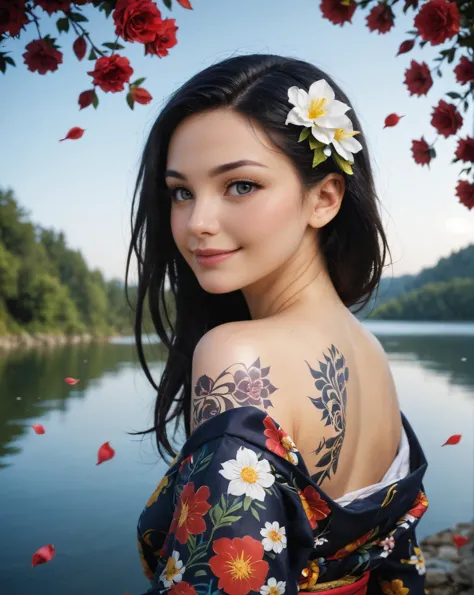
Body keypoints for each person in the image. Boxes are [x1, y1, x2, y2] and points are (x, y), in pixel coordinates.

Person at [126, 54, 429, 595]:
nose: (198, 222)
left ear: (324, 198)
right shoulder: (370, 353)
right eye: (181, 191)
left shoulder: (236, 357)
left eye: (240, 185)